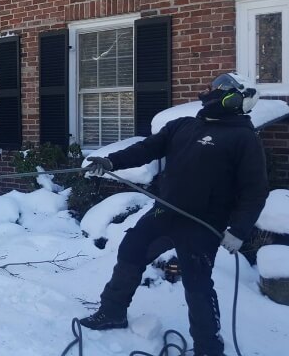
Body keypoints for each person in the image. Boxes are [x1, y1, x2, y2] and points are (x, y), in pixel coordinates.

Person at [79, 72, 269, 356]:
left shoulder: (243, 138)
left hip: (203, 224)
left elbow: (256, 190)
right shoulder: (184, 125)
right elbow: (145, 149)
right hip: (164, 212)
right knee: (131, 251)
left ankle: (208, 346)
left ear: (234, 99)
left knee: (197, 282)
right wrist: (110, 161)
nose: (210, 91)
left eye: (219, 88)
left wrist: (239, 230)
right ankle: (112, 312)